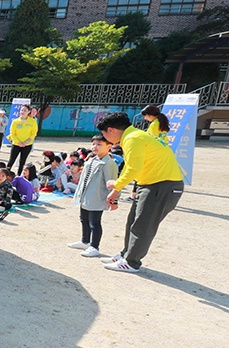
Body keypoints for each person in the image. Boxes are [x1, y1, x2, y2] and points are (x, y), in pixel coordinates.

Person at [96, 112, 184, 273]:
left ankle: (132, 262)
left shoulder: (133, 139)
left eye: (104, 134)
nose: (104, 137)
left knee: (143, 224)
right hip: (151, 184)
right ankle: (126, 254)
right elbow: (133, 167)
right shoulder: (135, 136)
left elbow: (133, 168)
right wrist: (116, 190)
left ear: (111, 130)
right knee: (133, 221)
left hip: (162, 185)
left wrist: (116, 184)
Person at [68, 134, 119, 258]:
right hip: (86, 196)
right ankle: (85, 241)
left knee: (94, 223)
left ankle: (94, 246)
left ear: (109, 146)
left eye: (99, 144)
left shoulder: (108, 163)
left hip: (97, 197)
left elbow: (113, 182)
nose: (95, 147)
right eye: (94, 144)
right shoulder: (91, 160)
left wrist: (114, 200)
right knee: (83, 219)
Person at [6, 104, 38, 174]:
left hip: (27, 145)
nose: (22, 112)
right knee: (11, 161)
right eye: (21, 110)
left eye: (25, 110)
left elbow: (34, 133)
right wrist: (18, 142)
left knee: (22, 162)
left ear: (29, 111)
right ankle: (6, 174)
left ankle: (19, 176)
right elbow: (12, 133)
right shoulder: (15, 121)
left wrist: (26, 142)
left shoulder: (32, 121)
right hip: (16, 144)